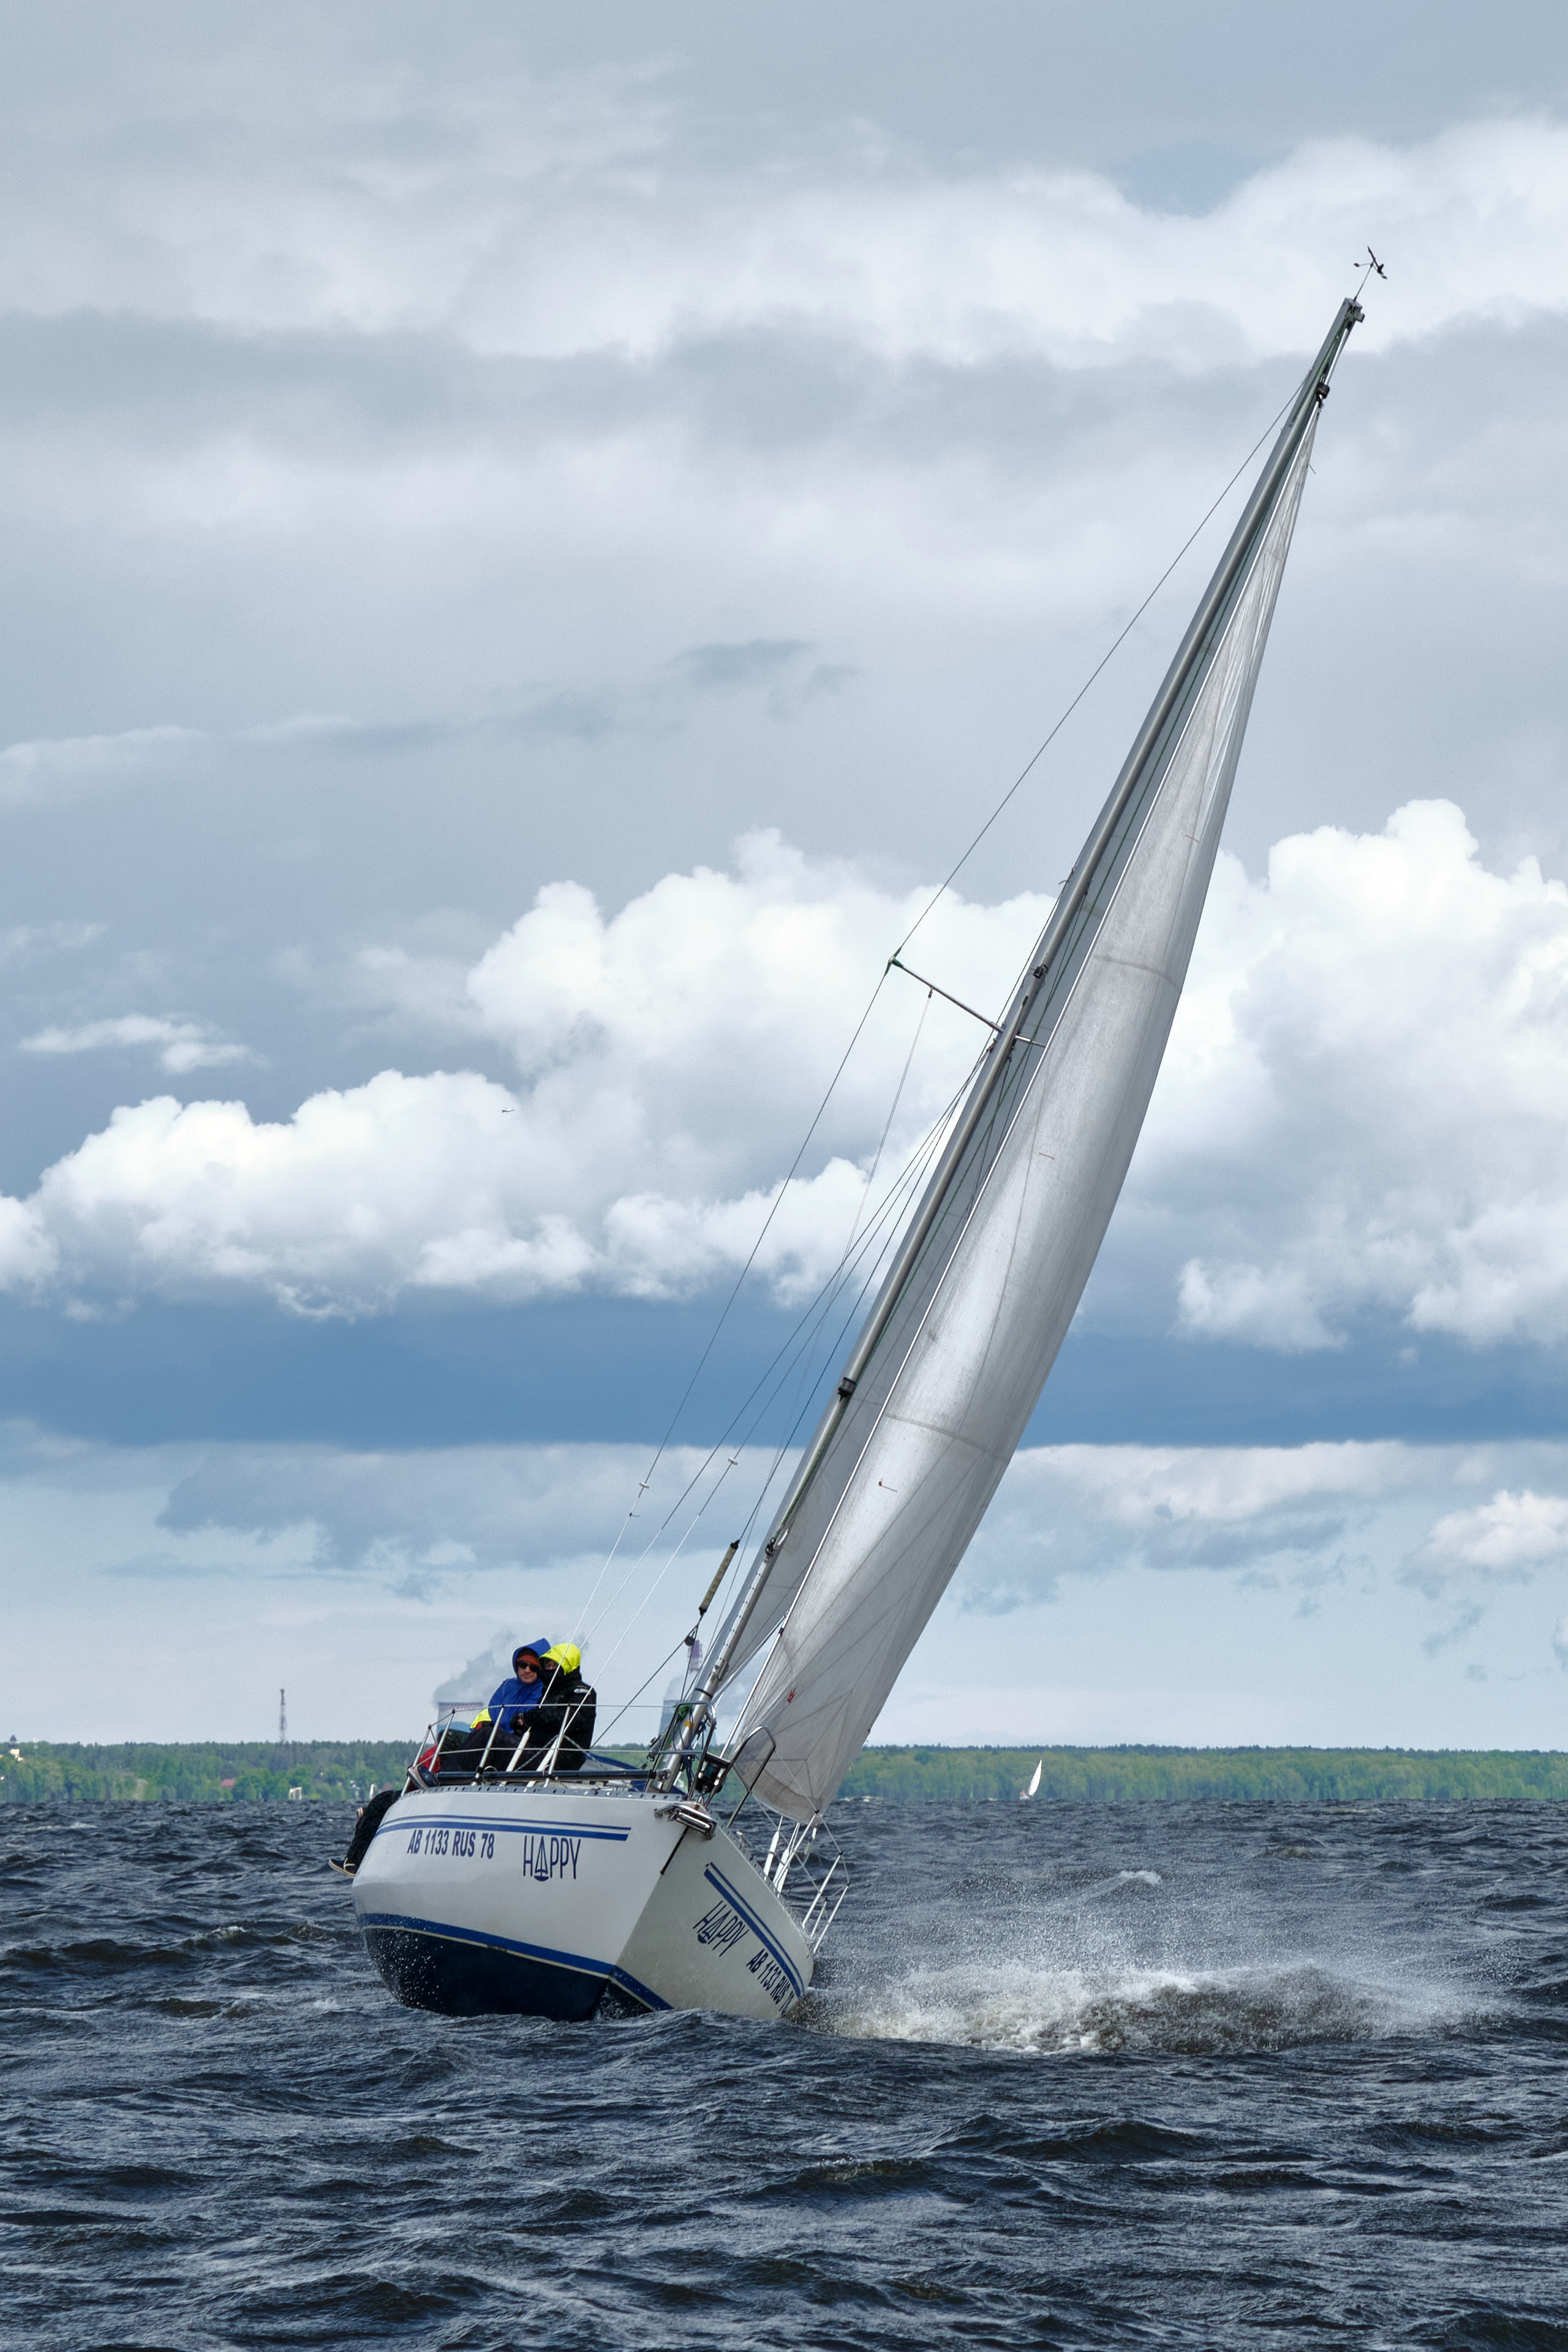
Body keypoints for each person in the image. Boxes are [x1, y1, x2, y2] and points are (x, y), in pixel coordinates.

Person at [507, 1642, 597, 1774]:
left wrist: (528, 1718)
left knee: (489, 1738)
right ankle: (472, 1778)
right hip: (537, 1750)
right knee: (487, 1735)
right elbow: (542, 1722)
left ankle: (468, 1780)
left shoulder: (582, 1692)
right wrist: (521, 1725)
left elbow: (568, 1719)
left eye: (555, 1665)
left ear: (567, 1666)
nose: (550, 1669)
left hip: (560, 1759)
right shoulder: (548, 1691)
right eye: (548, 1665)